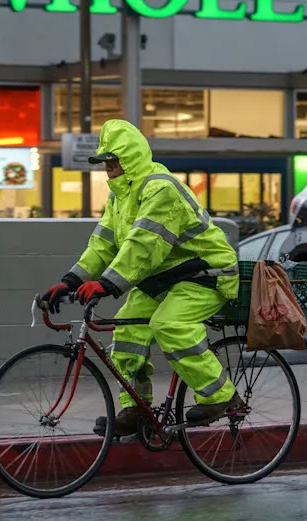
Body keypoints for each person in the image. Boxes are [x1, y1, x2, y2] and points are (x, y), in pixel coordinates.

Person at [42, 119, 241, 437]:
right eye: (104, 162)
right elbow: (103, 244)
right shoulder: (119, 197)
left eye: (112, 160)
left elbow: (145, 245)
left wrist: (106, 284)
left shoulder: (160, 188)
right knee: (126, 335)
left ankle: (221, 395)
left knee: (169, 325)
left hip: (205, 273)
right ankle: (137, 409)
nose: (107, 168)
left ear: (130, 157)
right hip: (161, 281)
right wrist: (71, 280)